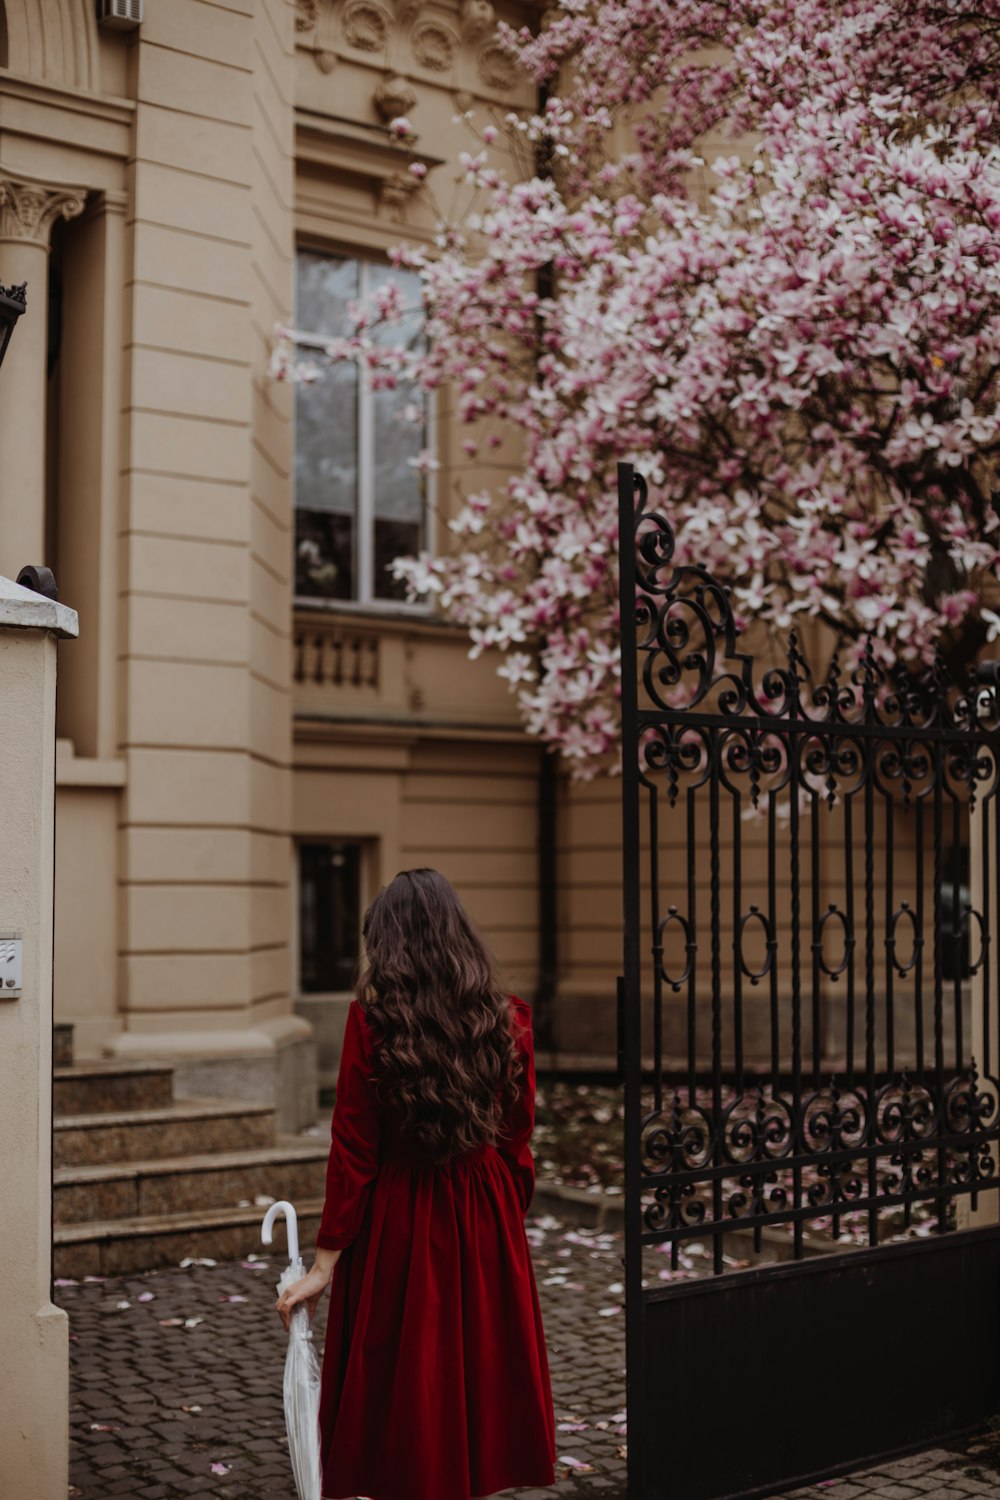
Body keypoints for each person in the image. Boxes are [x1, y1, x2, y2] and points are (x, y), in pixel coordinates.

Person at [276, 867, 557, 1500]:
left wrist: (325, 1263)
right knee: (479, 1360)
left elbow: (353, 1149)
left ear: (389, 946)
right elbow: (518, 1136)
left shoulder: (371, 1026)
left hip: (400, 1213)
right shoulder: (507, 1019)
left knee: (408, 1365)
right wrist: (504, 1215)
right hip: (483, 1205)